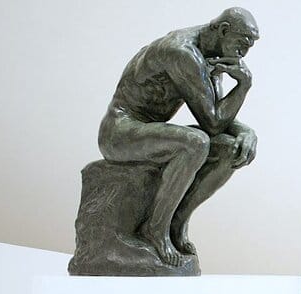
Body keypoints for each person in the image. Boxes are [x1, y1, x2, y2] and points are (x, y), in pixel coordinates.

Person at [97, 7, 259, 267]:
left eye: (250, 45)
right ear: (224, 30)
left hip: (150, 131)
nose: (244, 53)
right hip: (120, 131)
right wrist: (244, 85)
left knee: (231, 151)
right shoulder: (181, 52)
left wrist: (246, 132)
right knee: (196, 143)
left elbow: (215, 113)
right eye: (243, 42)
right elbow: (213, 123)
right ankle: (155, 229)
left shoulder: (212, 56)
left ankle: (177, 222)